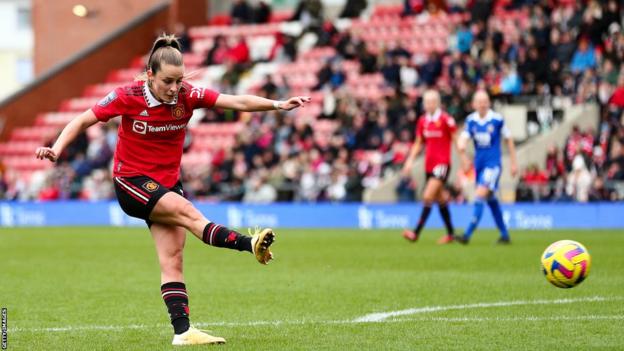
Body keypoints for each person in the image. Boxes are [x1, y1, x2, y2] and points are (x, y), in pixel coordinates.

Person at [35, 34, 310, 346]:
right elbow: (82, 120)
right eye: (168, 81)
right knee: (189, 213)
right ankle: (250, 244)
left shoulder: (187, 96)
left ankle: (183, 332)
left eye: (179, 81)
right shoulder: (128, 95)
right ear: (151, 75)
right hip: (132, 182)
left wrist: (277, 104)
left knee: (173, 258)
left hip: (166, 184)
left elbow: (235, 101)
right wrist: (57, 148)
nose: (174, 88)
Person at [455, 90, 517, 244]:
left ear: (489, 103)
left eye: (485, 101)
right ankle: (504, 235)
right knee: (491, 200)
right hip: (480, 165)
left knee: (480, 194)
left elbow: (508, 139)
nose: (482, 104)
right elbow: (462, 140)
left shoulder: (497, 120)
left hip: (493, 165)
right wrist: (462, 152)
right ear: (474, 104)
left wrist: (514, 163)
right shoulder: (471, 121)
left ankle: (467, 234)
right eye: (479, 101)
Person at [401, 90, 457, 244]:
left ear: (438, 102)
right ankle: (451, 234)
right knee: (441, 199)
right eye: (427, 102)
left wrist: (464, 159)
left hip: (442, 165)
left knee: (427, 196)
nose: (430, 104)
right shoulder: (422, 121)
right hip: (429, 166)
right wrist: (410, 161)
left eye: (433, 101)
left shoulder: (446, 119)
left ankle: (416, 232)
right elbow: (419, 143)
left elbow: (456, 139)